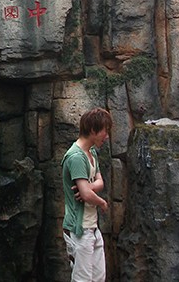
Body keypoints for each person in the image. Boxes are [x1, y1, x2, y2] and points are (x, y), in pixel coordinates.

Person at [61, 107, 112, 281]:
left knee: (99, 278)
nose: (107, 136)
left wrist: (88, 187)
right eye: (105, 131)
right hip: (79, 229)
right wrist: (102, 202)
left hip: (92, 227)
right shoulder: (75, 157)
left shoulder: (91, 153)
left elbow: (100, 183)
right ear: (92, 130)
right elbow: (86, 194)